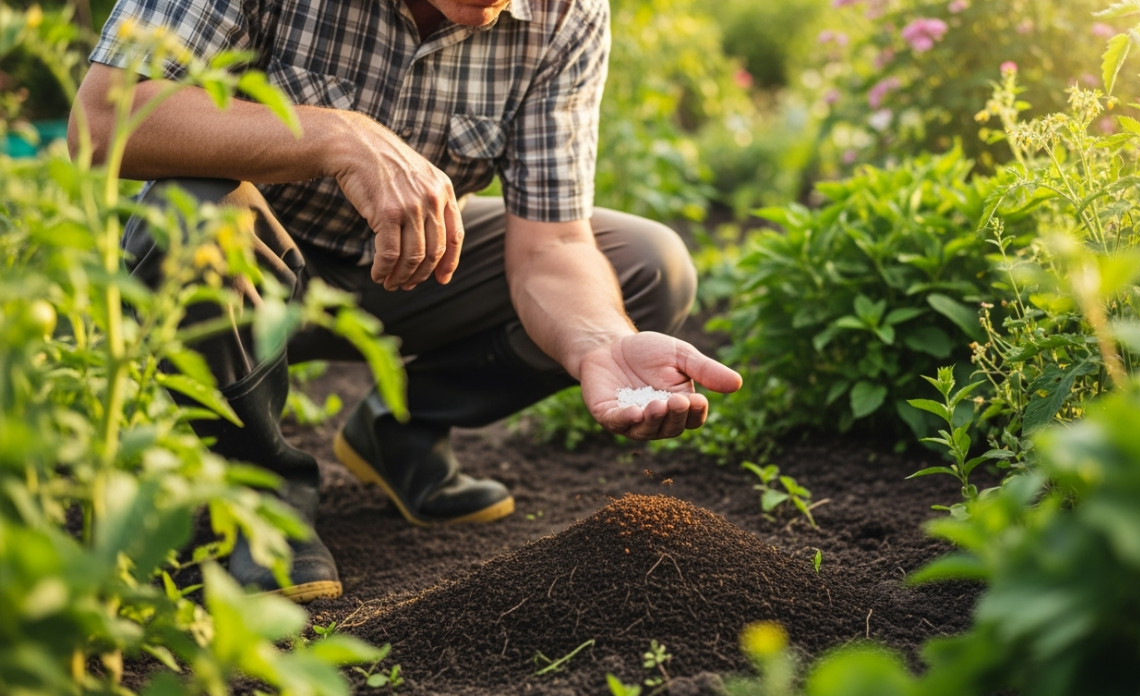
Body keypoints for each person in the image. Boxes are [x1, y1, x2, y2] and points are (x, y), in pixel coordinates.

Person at [70, 0, 742, 603]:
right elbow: (102, 120)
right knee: (192, 215)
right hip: (240, 269)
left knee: (646, 268)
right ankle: (250, 494)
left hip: (407, 272)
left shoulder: (565, 13)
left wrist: (600, 342)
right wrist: (337, 136)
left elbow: (551, 248)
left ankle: (399, 430)